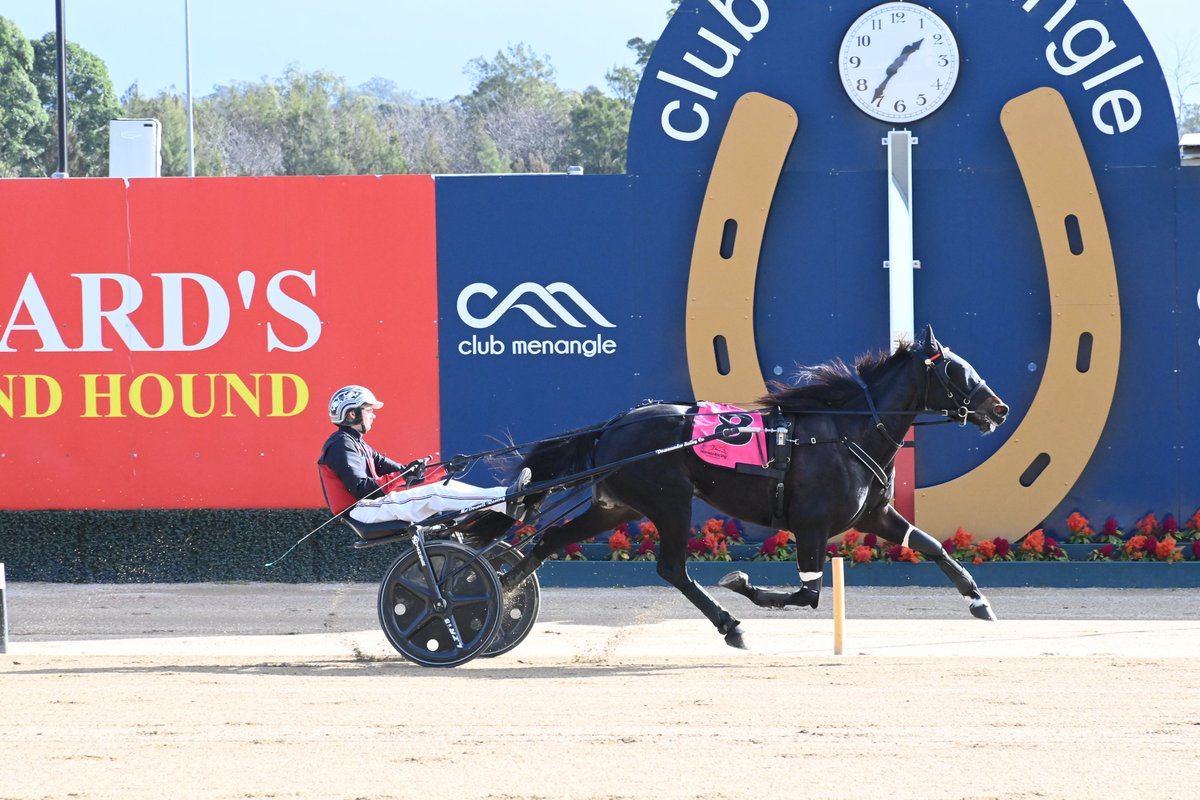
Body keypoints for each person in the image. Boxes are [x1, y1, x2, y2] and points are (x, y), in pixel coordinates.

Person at [317, 385, 530, 531]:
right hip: (362, 511)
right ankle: (505, 500)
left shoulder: (358, 444)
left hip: (372, 506)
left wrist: (445, 469)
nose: (373, 414)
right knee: (436, 493)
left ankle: (506, 498)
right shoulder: (340, 445)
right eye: (368, 409)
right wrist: (403, 476)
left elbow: (406, 473)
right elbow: (362, 489)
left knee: (447, 485)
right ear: (352, 414)